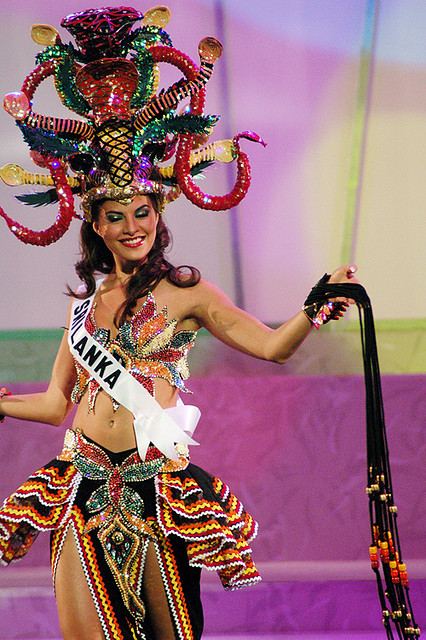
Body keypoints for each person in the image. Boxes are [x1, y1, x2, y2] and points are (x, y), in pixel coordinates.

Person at [0, 6, 359, 639]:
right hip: (81, 485)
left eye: (142, 212)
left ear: (158, 216)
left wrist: (311, 309)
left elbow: (272, 347)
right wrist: (3, 405)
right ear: (95, 224)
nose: (132, 226)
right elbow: (58, 402)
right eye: (116, 216)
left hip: (157, 490)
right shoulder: (81, 307)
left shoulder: (188, 292)